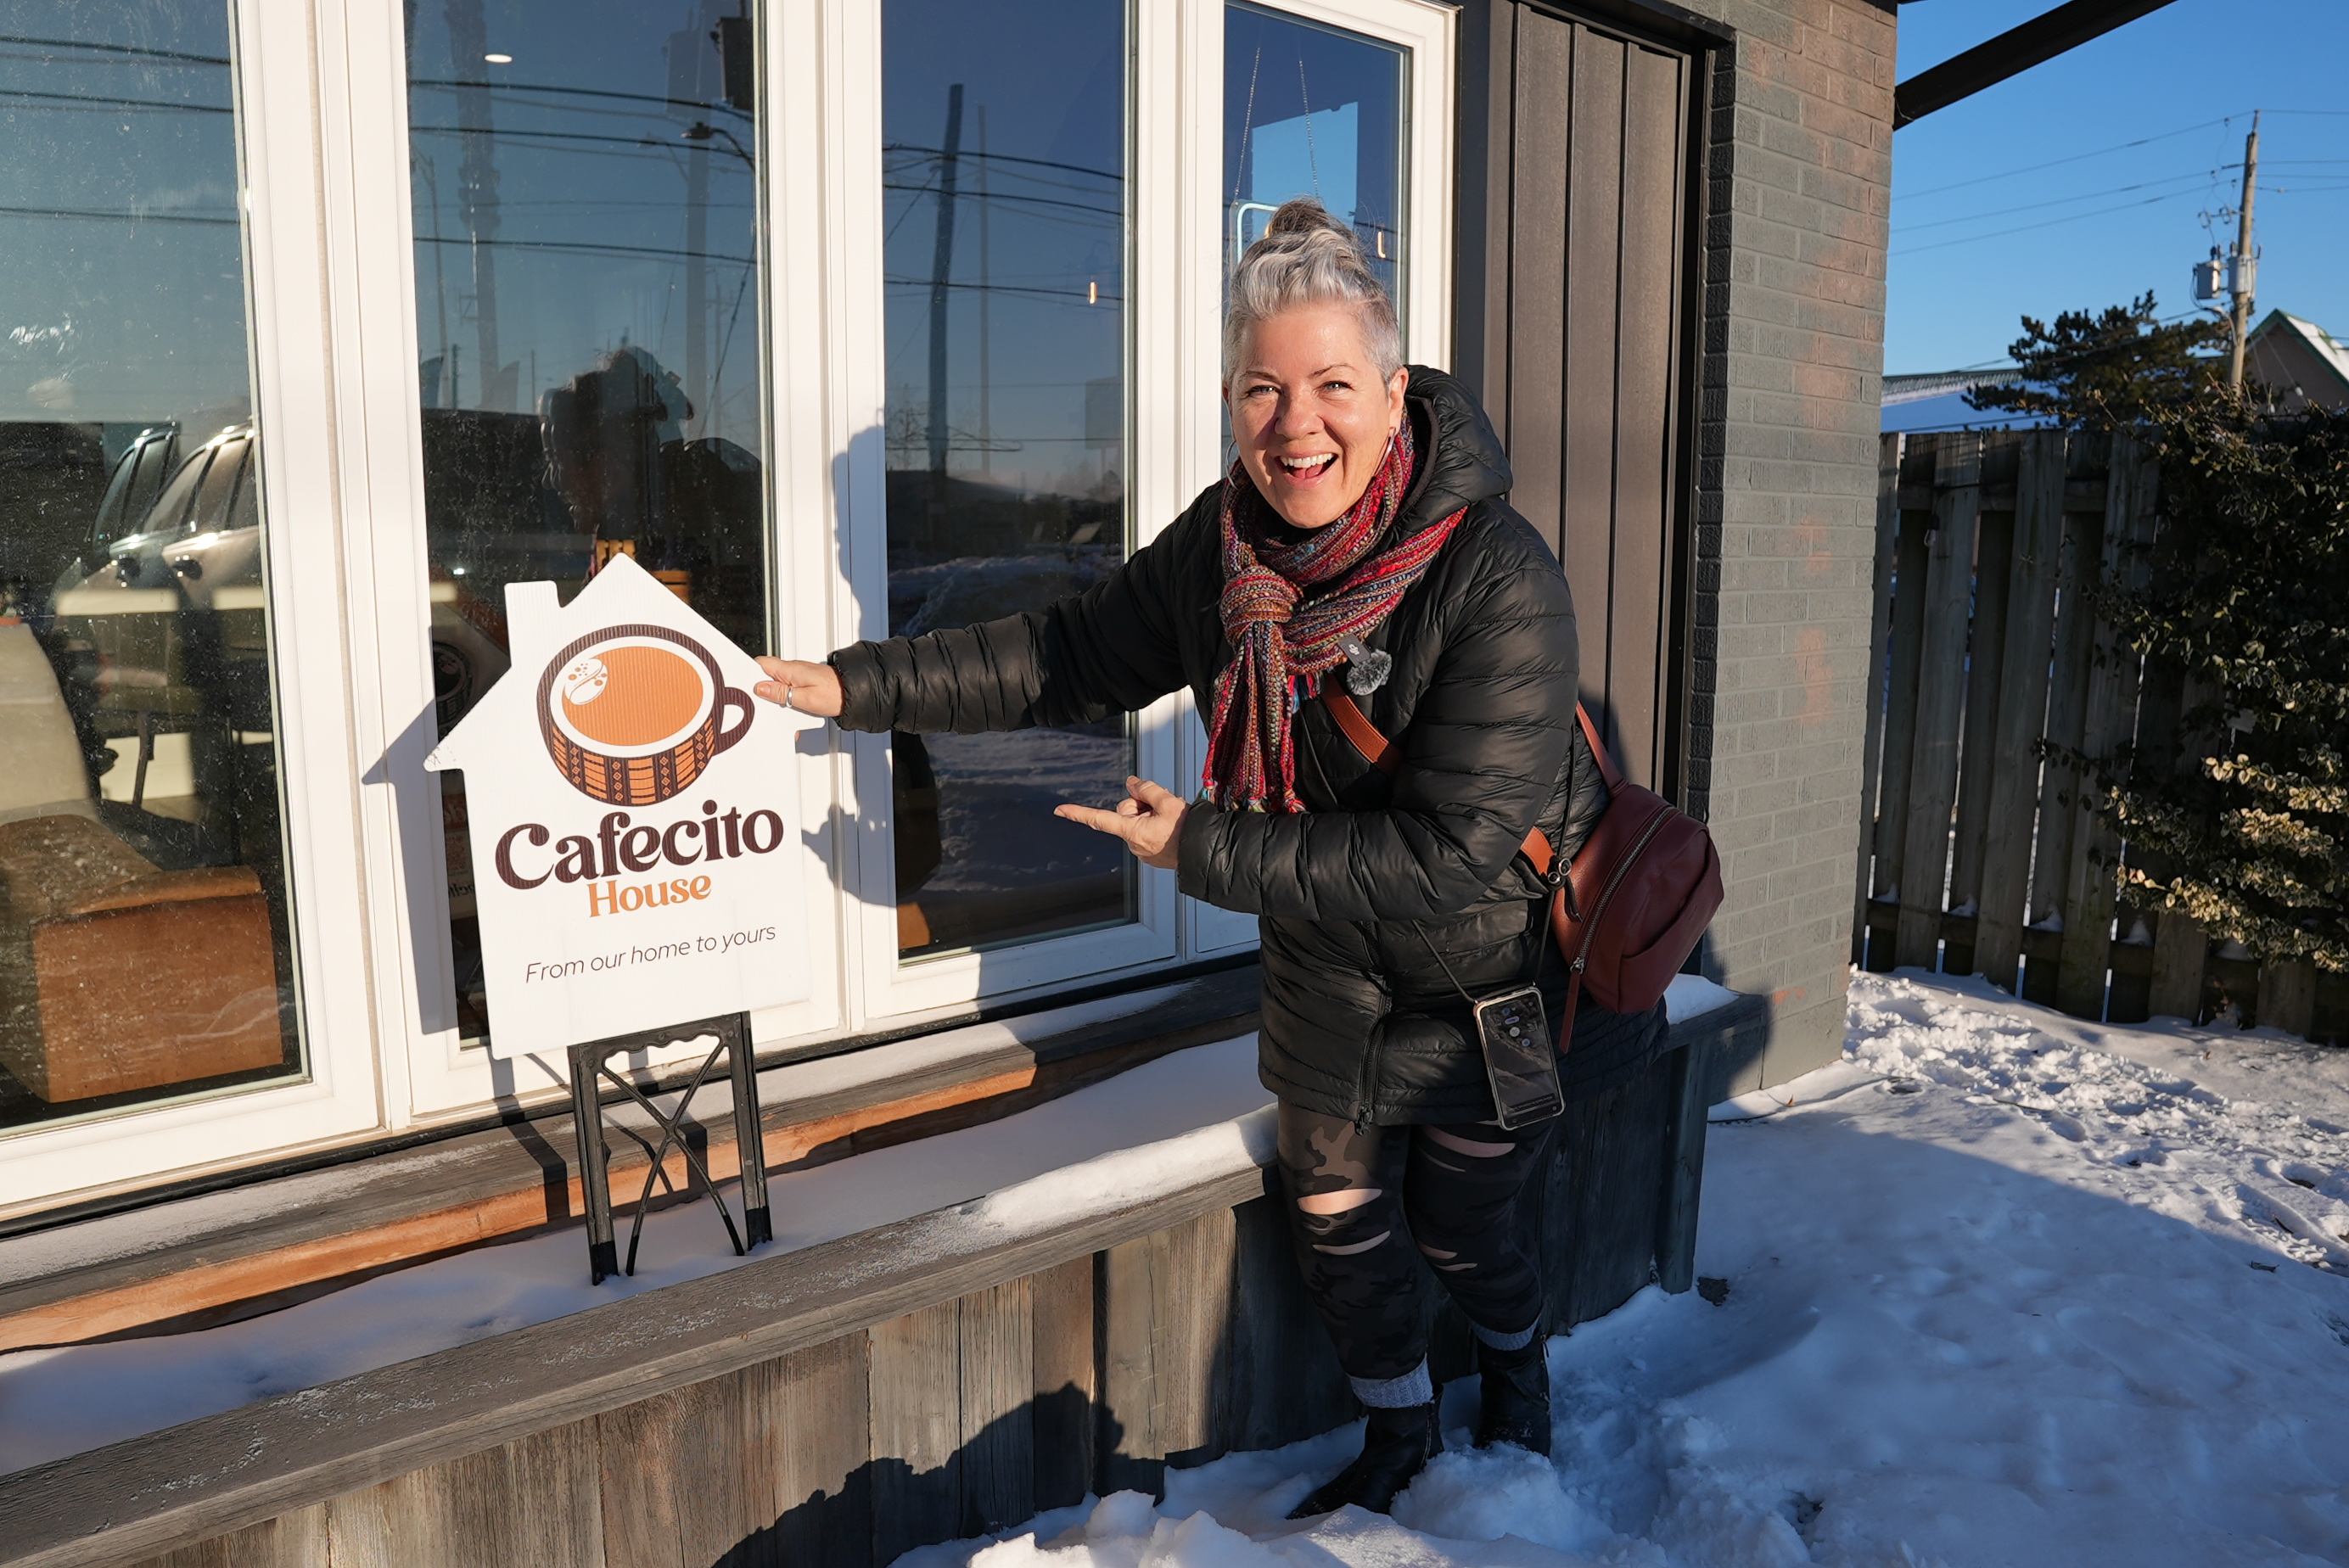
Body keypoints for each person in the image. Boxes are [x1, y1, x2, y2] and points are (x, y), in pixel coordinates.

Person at [754, 199, 1667, 1515]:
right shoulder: (1221, 550)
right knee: (1341, 1234)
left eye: (1333, 385)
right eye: (1262, 390)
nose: (1298, 425)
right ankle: (1401, 1436)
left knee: (1468, 1229)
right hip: (1325, 972)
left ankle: (1518, 1380)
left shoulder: (1497, 575)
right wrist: (855, 686)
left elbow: (1456, 853)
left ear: (1395, 392)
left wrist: (1206, 848)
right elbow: (1064, 653)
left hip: (1485, 974)